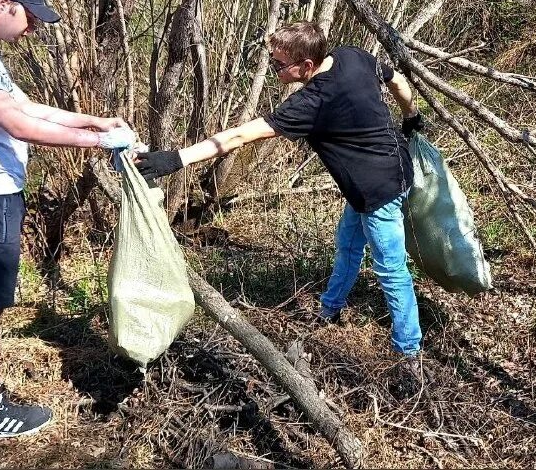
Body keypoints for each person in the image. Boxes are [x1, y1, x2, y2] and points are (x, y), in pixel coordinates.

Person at [137, 21, 426, 363]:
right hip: (393, 169)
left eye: (279, 64)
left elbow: (239, 136)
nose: (273, 68)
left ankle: (409, 352)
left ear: (306, 65)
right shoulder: (353, 56)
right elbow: (397, 81)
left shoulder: (312, 102)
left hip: (378, 192)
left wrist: (176, 158)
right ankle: (329, 310)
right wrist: (411, 115)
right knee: (348, 245)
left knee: (391, 269)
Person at [0, 0, 135, 439]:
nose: (32, 28)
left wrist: (95, 121)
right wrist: (99, 144)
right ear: (3, 4)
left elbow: (28, 109)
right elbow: (18, 125)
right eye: (30, 17)